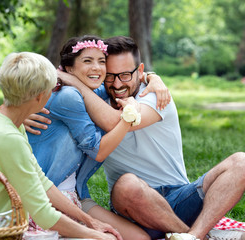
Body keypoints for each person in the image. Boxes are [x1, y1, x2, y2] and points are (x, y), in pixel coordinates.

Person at [28, 36, 245, 240]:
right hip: (132, 206)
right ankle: (201, 237)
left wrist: (153, 78)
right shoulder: (97, 96)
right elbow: (36, 94)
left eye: (125, 75)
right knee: (127, 184)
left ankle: (193, 236)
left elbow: (113, 121)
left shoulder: (154, 96)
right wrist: (22, 113)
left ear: (140, 70)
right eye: (111, 76)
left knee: (243, 161)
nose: (118, 84)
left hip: (179, 198)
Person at [0, 52, 120, 239]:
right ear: (40, 96)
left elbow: (42, 182)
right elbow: (43, 214)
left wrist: (90, 221)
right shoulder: (7, 138)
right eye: (54, 87)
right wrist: (96, 235)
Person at [26, 35, 170, 240]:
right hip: (48, 197)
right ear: (68, 68)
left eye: (101, 61)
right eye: (87, 61)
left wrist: (152, 77)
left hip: (76, 195)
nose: (97, 68)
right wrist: (129, 116)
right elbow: (99, 150)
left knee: (140, 238)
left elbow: (120, 80)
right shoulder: (68, 96)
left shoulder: (95, 90)